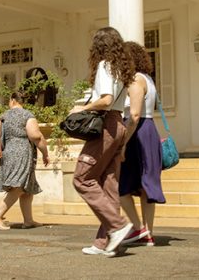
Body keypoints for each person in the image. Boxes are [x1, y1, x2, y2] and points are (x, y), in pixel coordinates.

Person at [69, 26, 135, 256]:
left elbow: (106, 100)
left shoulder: (105, 65)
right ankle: (104, 242)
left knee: (82, 178)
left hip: (106, 125)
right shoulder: (121, 69)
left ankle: (117, 226)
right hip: (119, 126)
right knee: (108, 185)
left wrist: (82, 107)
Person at [118, 41, 166, 247]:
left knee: (122, 185)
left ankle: (138, 227)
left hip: (137, 132)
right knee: (146, 184)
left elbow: (135, 114)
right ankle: (148, 232)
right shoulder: (149, 79)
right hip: (149, 130)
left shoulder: (136, 80)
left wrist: (123, 144)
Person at [0, 91, 50, 230]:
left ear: (12, 100)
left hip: (8, 152)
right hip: (22, 152)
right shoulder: (27, 115)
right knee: (18, 186)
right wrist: (45, 153)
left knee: (27, 189)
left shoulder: (3, 116)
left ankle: (28, 220)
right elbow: (35, 136)